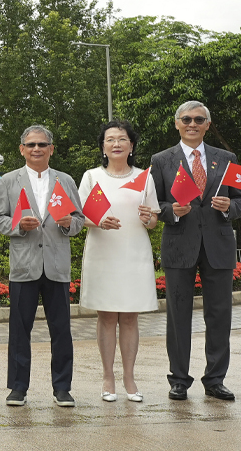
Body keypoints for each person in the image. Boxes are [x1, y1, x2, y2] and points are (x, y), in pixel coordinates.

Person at [150, 100, 241, 401]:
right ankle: (179, 379)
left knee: (219, 316)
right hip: (179, 245)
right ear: (177, 124)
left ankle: (215, 379)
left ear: (207, 125)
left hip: (218, 246)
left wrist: (229, 206)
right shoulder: (161, 160)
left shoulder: (227, 159)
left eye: (198, 119)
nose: (192, 124)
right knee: (178, 316)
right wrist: (172, 210)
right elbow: (154, 204)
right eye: (186, 119)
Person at [0, 125, 84, 408]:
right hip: (24, 266)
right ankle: (18, 388)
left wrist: (69, 224)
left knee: (61, 330)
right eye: (31, 145)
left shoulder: (65, 180)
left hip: (56, 265)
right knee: (19, 330)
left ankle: (62, 388)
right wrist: (18, 226)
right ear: (22, 149)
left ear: (51, 149)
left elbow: (79, 219)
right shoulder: (9, 180)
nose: (36, 149)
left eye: (42, 144)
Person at [78, 119, 159, 403]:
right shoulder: (91, 177)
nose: (116, 144)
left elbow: (153, 219)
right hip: (103, 252)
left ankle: (129, 377)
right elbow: (78, 217)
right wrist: (98, 221)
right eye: (110, 139)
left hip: (134, 253)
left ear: (131, 146)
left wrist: (149, 218)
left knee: (130, 316)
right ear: (103, 147)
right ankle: (107, 377)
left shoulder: (145, 177)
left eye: (122, 139)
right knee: (107, 315)